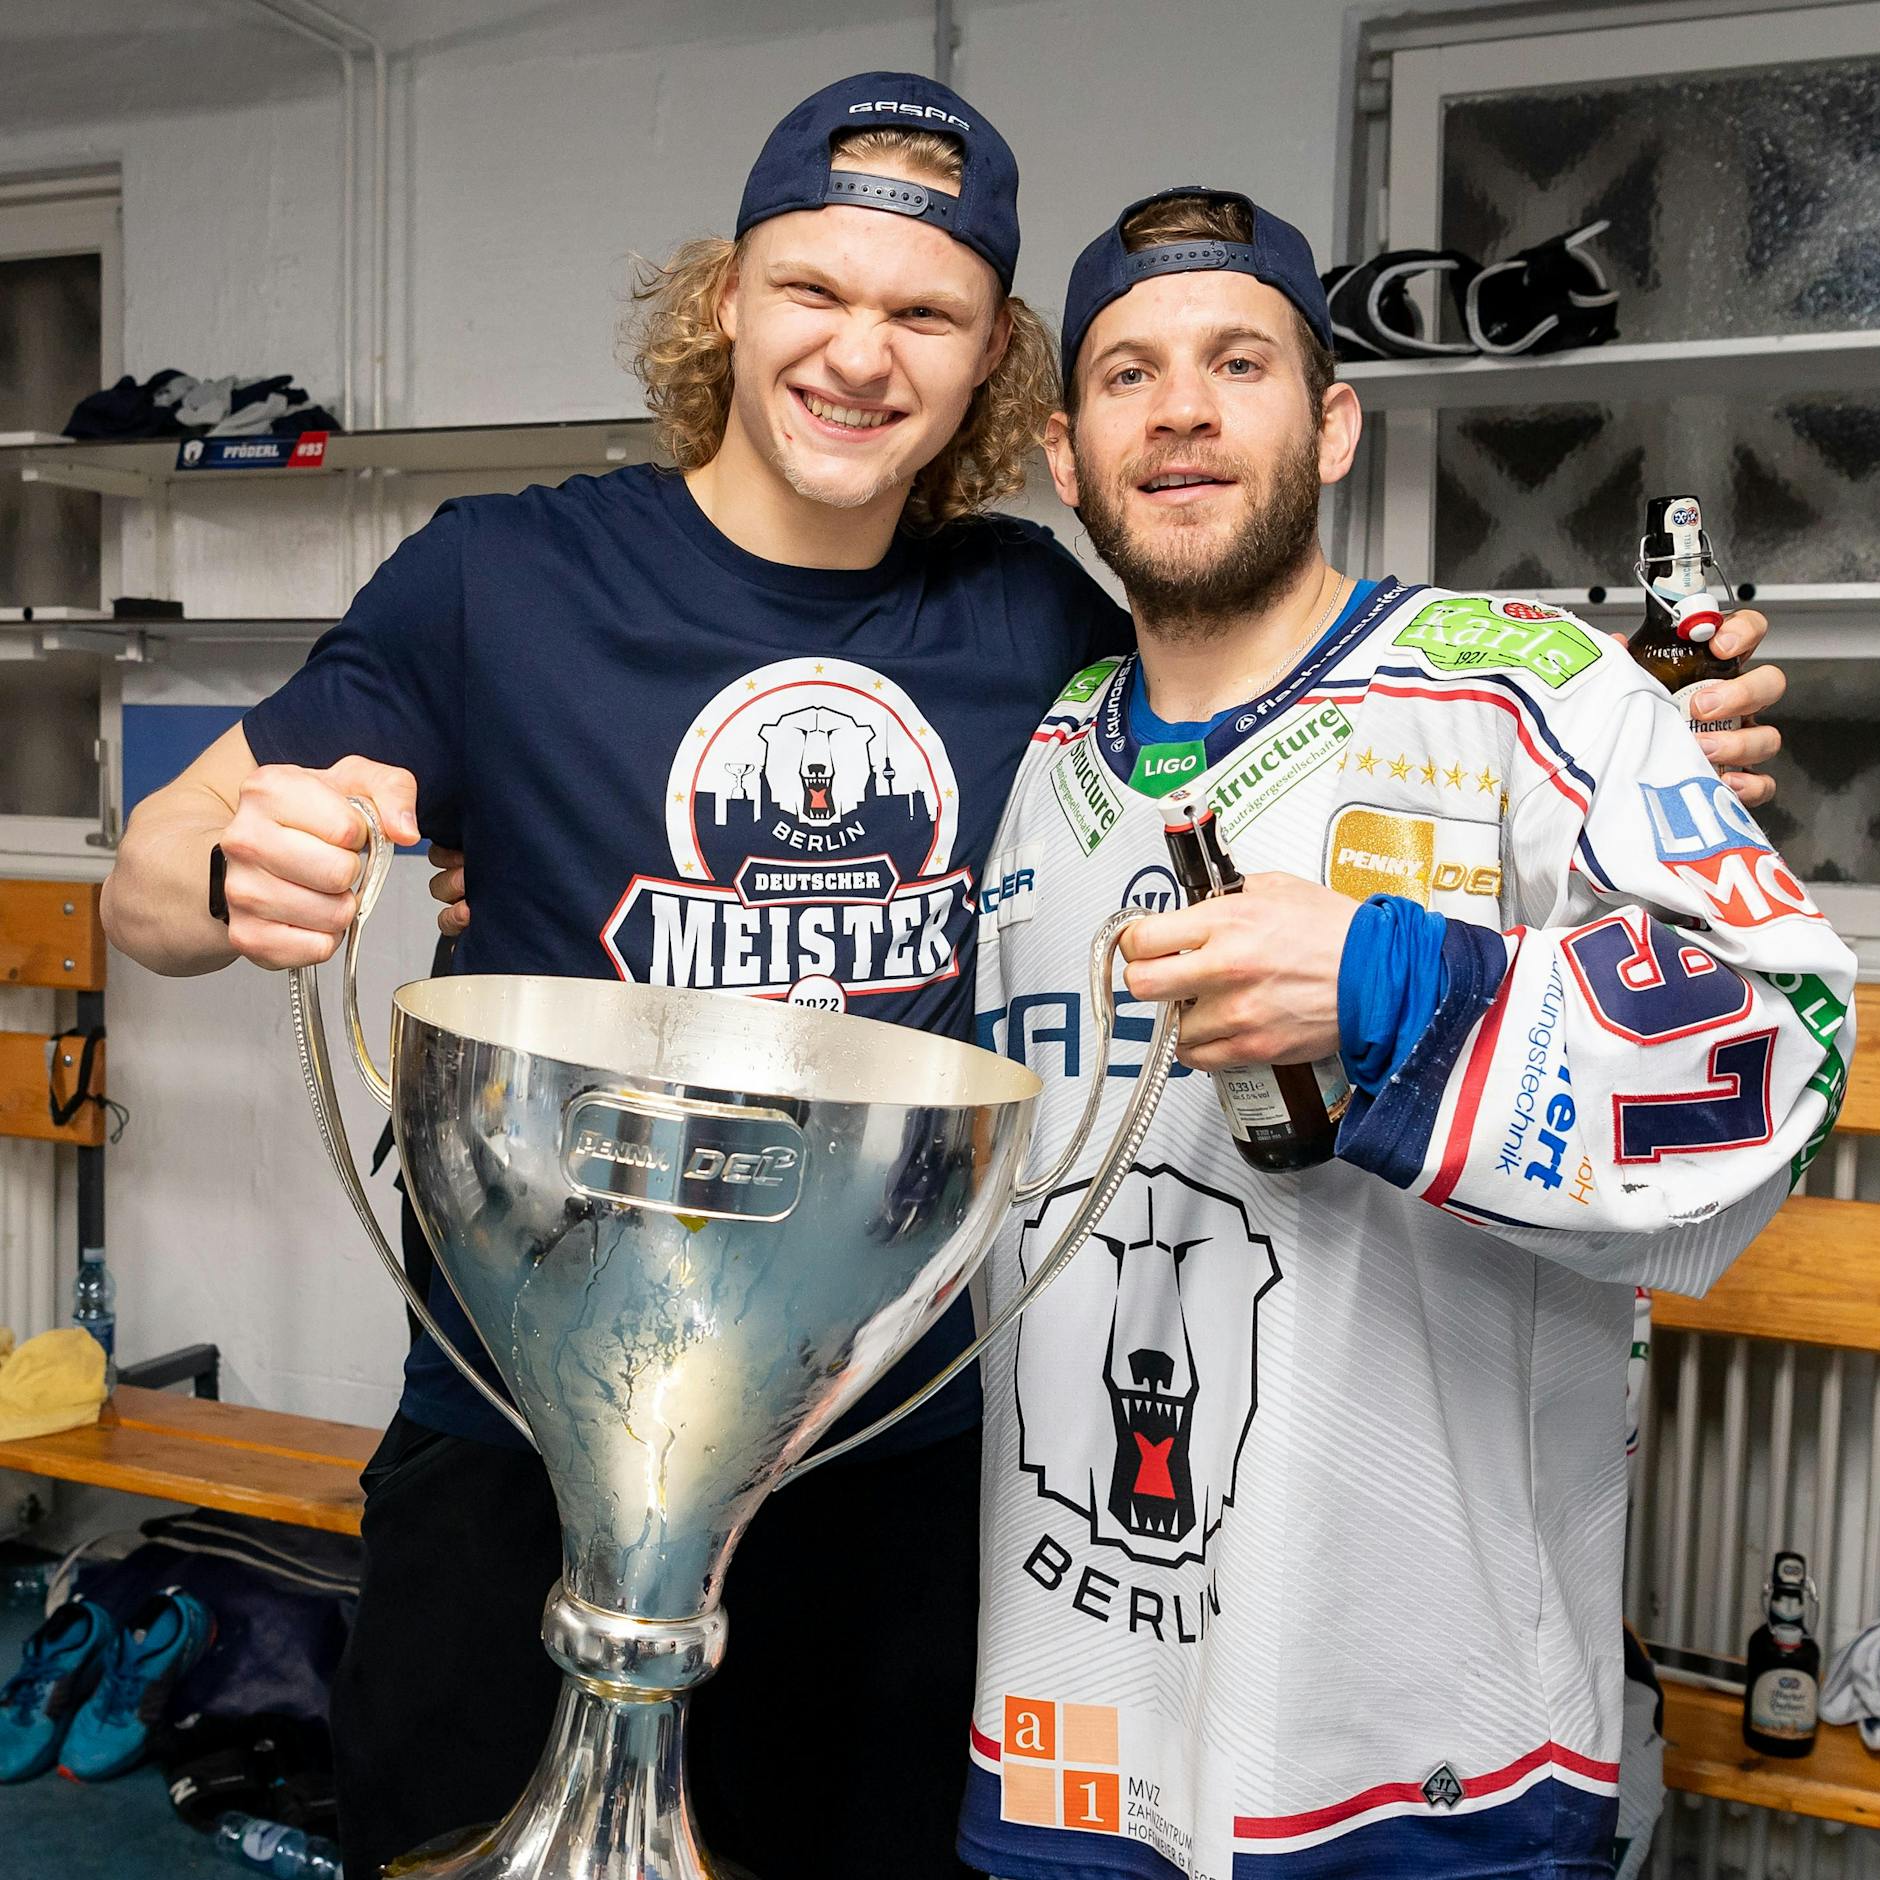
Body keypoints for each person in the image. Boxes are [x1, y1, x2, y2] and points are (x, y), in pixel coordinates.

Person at [101, 72, 1130, 1880]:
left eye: (926, 316)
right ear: (725, 297)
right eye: (814, 290)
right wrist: (245, 858)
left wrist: (1607, 755)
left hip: (870, 1454)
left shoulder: (1029, 614)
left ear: (990, 364)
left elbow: (1293, 725)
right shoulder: (503, 577)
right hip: (514, 1436)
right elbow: (148, 884)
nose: (860, 355)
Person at [959, 188, 1854, 1880]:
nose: (1183, 411)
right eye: (1127, 375)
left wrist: (1394, 983)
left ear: (1336, 422)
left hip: (1433, 1738)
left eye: (1241, 361)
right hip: (1069, 1716)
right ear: (1067, 461)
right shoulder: (1041, 756)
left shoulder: (1535, 695)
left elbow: (1780, 1042)